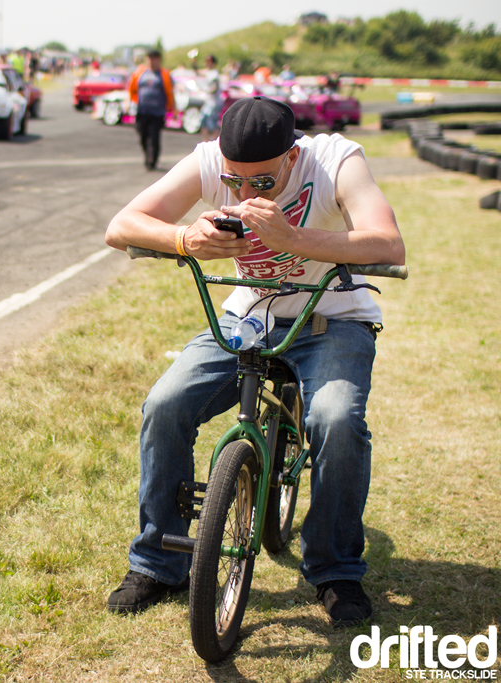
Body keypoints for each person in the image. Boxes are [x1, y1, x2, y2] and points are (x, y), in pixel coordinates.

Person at [103, 96, 405, 627]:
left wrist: (294, 239)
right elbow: (121, 225)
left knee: (335, 419)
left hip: (330, 315)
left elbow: (389, 242)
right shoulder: (206, 160)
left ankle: (335, 571)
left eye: (261, 183)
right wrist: (183, 238)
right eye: (233, 180)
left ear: (291, 158)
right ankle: (158, 561)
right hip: (249, 312)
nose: (244, 194)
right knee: (165, 405)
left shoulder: (335, 157)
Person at [128, 49, 174, 171]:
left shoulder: (164, 75)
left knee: (154, 137)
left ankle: (152, 161)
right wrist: (131, 103)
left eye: (155, 58)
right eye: (150, 58)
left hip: (157, 113)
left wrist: (172, 110)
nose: (152, 61)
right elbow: (132, 89)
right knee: (143, 136)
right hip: (142, 111)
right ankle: (147, 155)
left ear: (158, 60)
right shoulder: (140, 73)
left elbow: (170, 93)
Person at [200, 54, 221, 142]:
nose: (208, 64)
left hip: (213, 103)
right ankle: (206, 143)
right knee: (203, 124)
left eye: (210, 62)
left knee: (212, 125)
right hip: (208, 102)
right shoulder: (209, 73)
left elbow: (214, 88)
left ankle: (215, 144)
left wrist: (205, 90)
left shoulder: (214, 74)